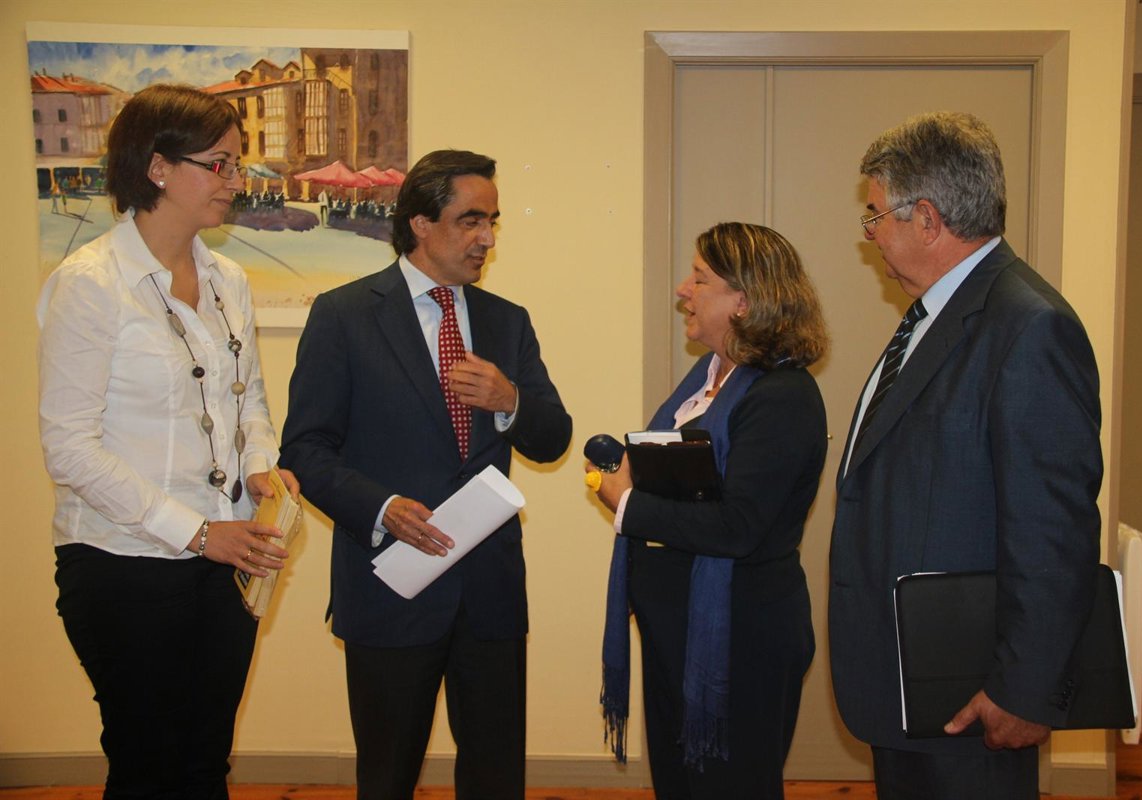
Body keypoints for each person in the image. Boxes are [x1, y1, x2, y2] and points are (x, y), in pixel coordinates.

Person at [279, 149, 571, 800]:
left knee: (496, 779)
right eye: (471, 220)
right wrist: (381, 508)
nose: (487, 238)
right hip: (391, 587)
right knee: (386, 779)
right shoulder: (344, 315)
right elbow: (304, 449)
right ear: (419, 222)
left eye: (493, 221)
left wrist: (510, 401)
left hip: (490, 593)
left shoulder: (506, 321)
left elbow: (553, 437)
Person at [829, 111, 1102, 800]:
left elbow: (1053, 531)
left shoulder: (1029, 326)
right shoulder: (934, 315)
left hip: (972, 698)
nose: (870, 234)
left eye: (875, 215)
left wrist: (1025, 689)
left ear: (926, 219)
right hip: (912, 686)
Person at [36, 83, 298, 799]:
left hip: (228, 558)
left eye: (238, 165)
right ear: (157, 167)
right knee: (148, 765)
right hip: (123, 563)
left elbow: (249, 401)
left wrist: (261, 466)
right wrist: (196, 533)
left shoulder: (227, 279)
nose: (236, 181)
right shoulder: (91, 283)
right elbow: (70, 449)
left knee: (205, 761)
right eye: (219, 165)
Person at [588, 222, 829, 799]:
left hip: (741, 638)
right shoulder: (710, 376)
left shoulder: (782, 396)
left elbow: (737, 527)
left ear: (743, 301)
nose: (683, 290)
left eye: (699, 279)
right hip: (680, 629)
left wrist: (627, 503)